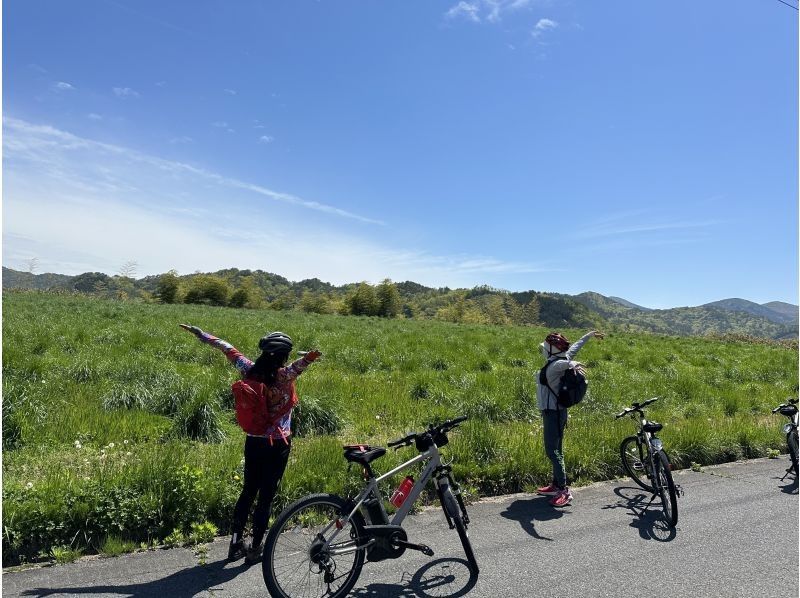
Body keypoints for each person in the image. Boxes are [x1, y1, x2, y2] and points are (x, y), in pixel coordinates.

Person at [179, 324, 321, 564]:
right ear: (284, 356)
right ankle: (255, 549)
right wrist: (310, 356)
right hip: (278, 444)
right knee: (265, 497)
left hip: (253, 441)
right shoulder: (286, 375)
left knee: (247, 492)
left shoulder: (248, 369)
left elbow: (227, 348)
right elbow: (301, 364)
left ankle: (235, 545)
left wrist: (200, 333)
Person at [535, 330, 604, 507]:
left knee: (553, 451)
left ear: (551, 351)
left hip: (554, 414)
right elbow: (573, 350)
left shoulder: (557, 365)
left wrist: (573, 365)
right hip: (552, 413)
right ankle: (556, 484)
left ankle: (564, 490)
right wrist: (588, 336)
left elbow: (567, 362)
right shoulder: (557, 359)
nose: (543, 349)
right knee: (556, 449)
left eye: (545, 348)